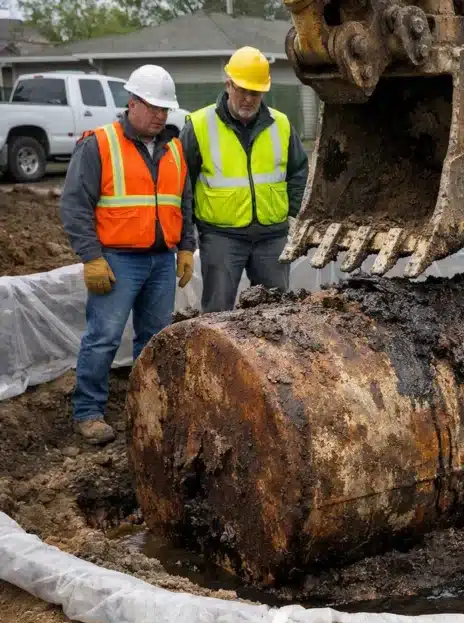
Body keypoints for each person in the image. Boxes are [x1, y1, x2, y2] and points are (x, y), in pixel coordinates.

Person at [60, 65, 194, 445]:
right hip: (117, 261)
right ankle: (88, 411)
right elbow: (74, 205)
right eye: (152, 107)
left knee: (154, 338)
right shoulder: (98, 144)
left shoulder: (174, 148)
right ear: (132, 103)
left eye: (164, 109)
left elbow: (184, 202)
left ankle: (147, 405)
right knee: (103, 337)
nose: (159, 115)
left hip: (161, 261)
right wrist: (91, 257)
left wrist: (186, 246)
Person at [179, 45, 308, 313]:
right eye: (242, 90)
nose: (249, 98)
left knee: (277, 313)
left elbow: (298, 171)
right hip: (221, 237)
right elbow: (183, 186)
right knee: (218, 313)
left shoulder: (281, 124)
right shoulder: (200, 125)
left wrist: (292, 213)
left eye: (256, 92)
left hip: (272, 236)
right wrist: (186, 242)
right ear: (228, 84)